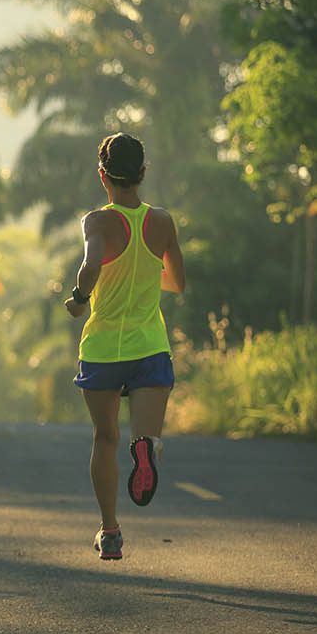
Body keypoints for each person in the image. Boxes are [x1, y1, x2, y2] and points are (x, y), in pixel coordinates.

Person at [63, 133, 185, 561]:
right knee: (144, 435)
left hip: (102, 351)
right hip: (150, 347)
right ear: (142, 174)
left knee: (105, 436)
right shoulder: (163, 222)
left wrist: (79, 300)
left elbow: (91, 264)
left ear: (103, 176)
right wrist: (147, 275)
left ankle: (110, 531)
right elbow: (177, 282)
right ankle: (147, 449)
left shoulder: (97, 221)